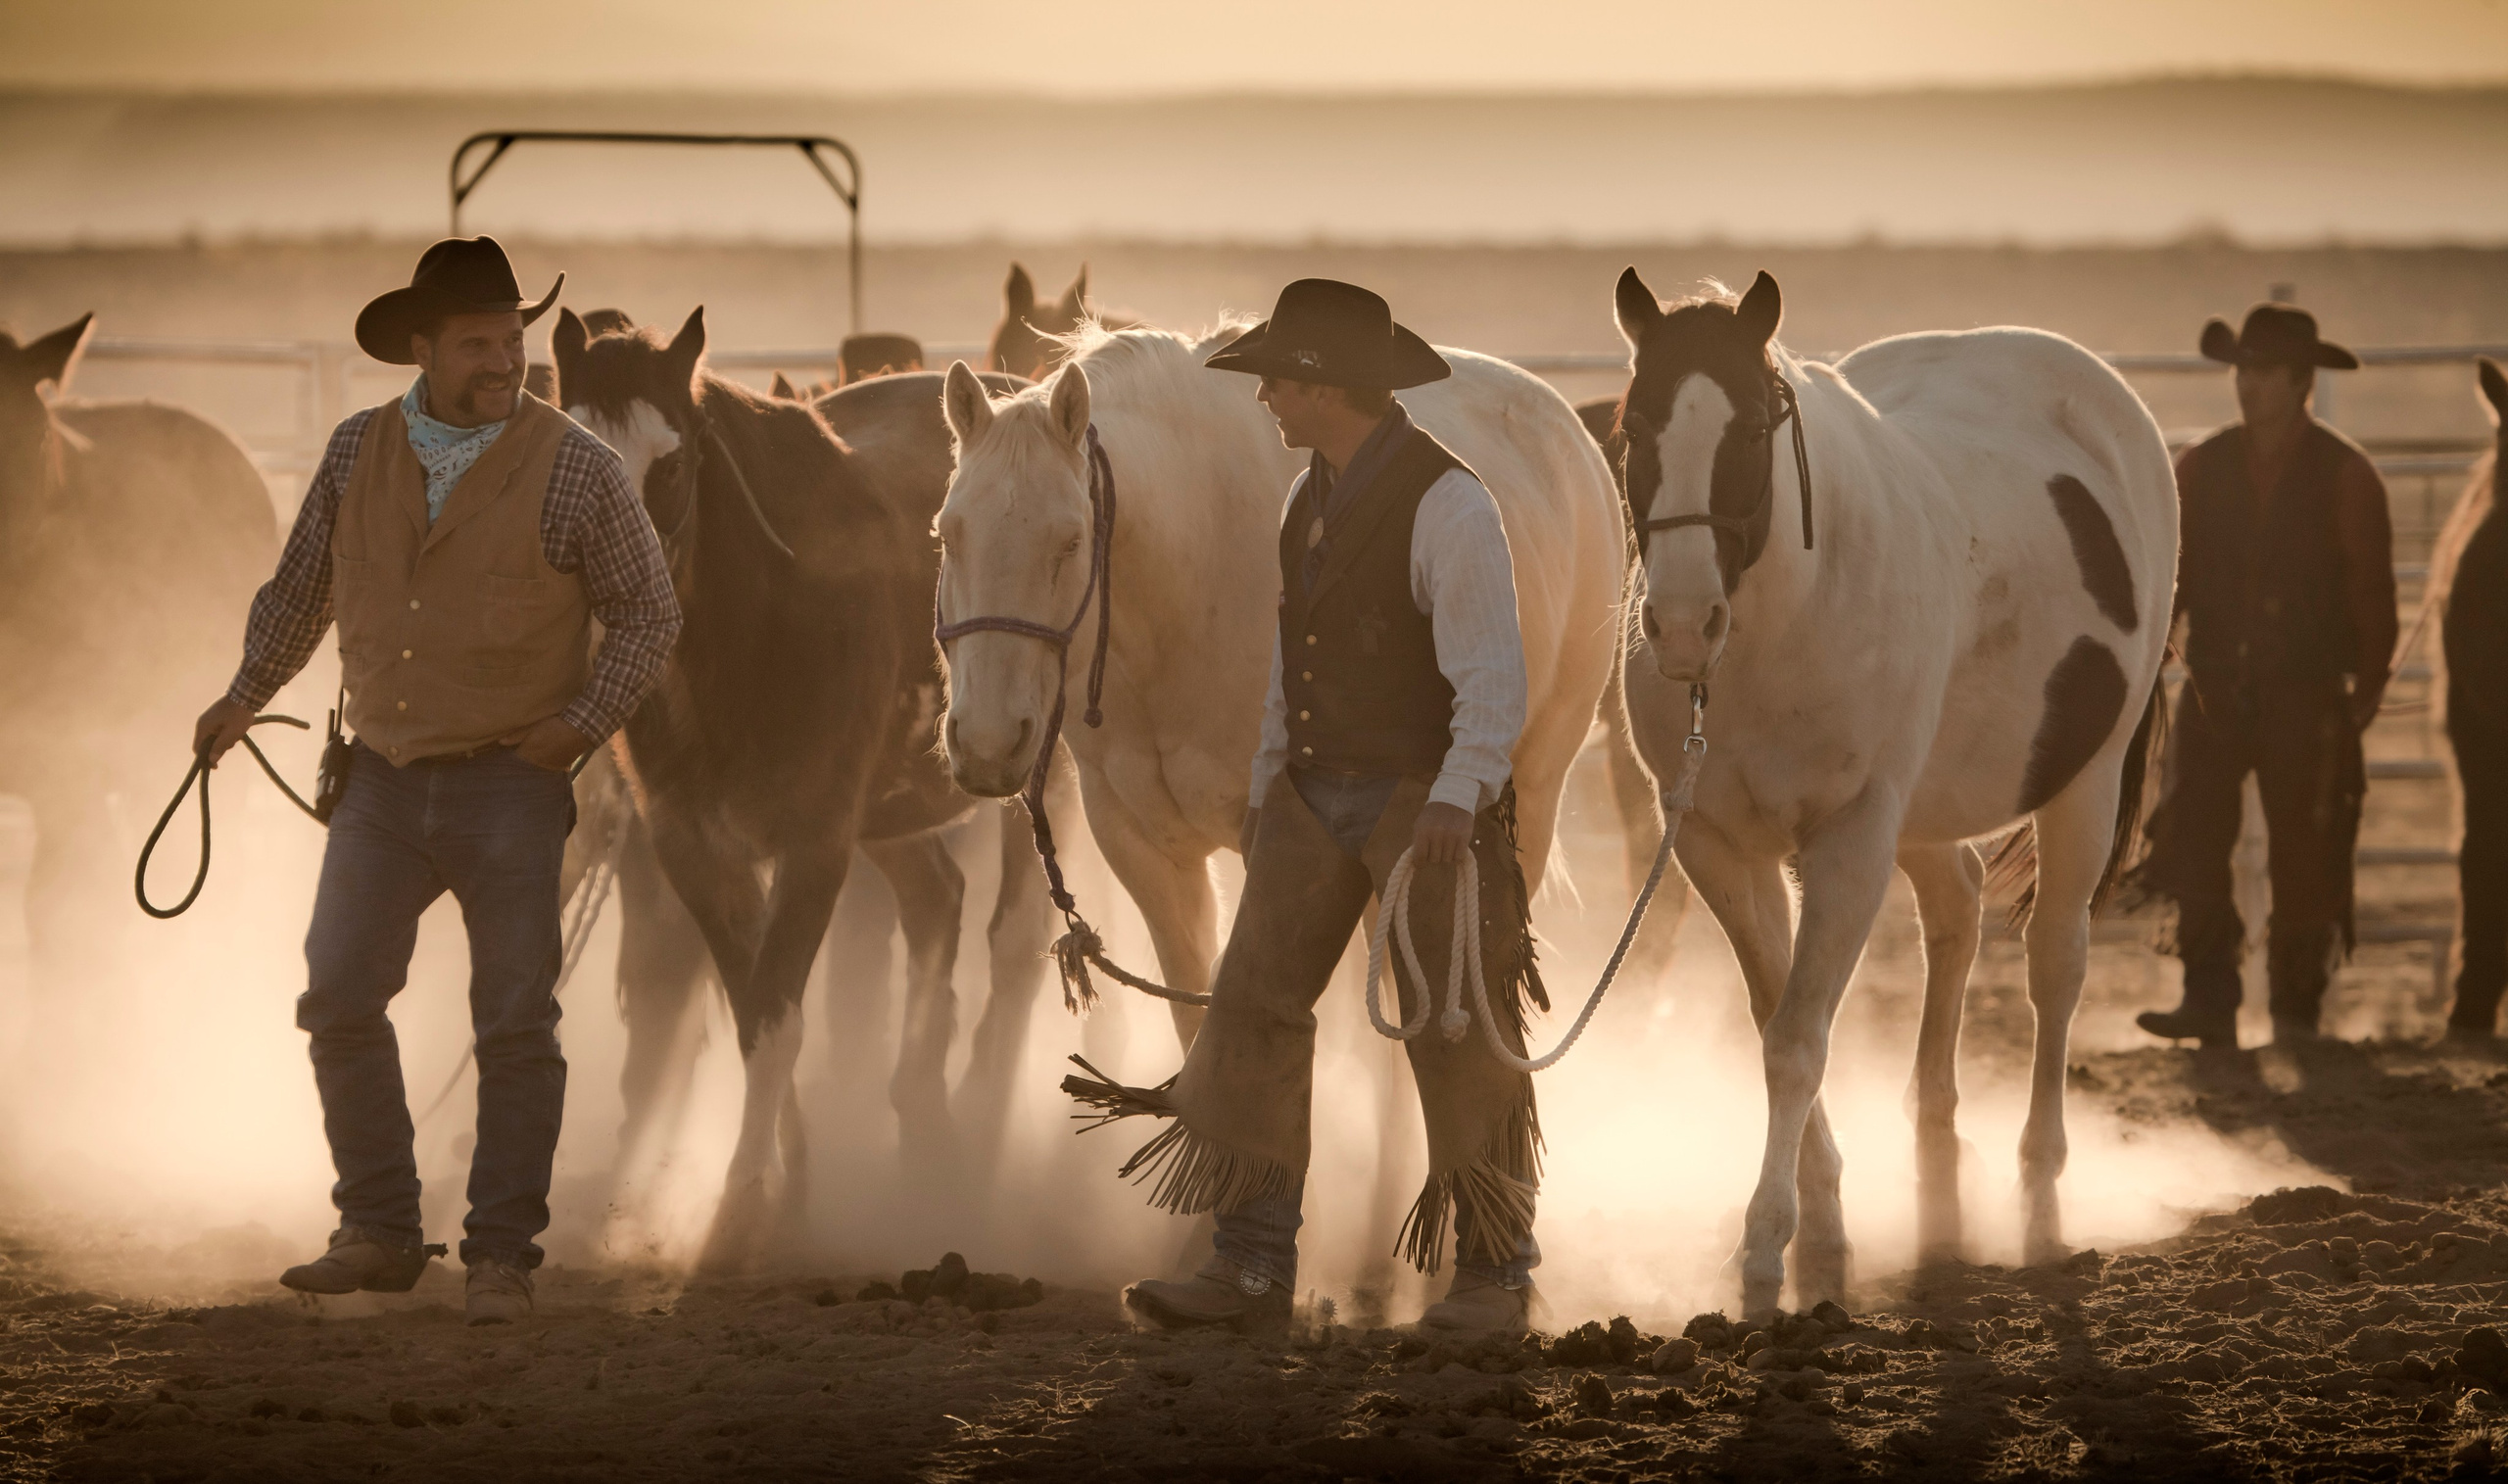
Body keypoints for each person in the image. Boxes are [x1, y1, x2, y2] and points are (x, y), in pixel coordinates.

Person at [191, 237, 681, 1322]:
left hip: (510, 778)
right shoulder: (354, 451)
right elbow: (301, 592)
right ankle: (378, 1226)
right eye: (476, 344)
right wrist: (242, 694)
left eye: (512, 339)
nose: (504, 361)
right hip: (378, 777)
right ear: (422, 348)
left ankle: (501, 1255)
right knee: (338, 994)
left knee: (513, 1022)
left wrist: (578, 727)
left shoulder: (577, 467)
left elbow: (650, 614)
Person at [1064, 279, 1544, 1332]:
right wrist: (1268, 785)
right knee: (1252, 1012)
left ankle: (1495, 1274)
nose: (1265, 396)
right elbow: (1293, 664)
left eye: (1278, 379)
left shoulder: (1449, 504)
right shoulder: (1305, 502)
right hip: (1308, 795)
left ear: (1325, 386)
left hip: (1422, 801)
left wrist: (1459, 796)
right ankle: (1249, 1267)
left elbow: (1491, 679)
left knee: (1456, 1025)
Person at [2135, 304, 2395, 1050]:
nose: (2247, 384)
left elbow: (2372, 599)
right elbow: (2172, 584)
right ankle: (2209, 997)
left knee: (2307, 850)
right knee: (2194, 834)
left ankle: (2294, 1011)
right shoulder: (2201, 467)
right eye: (2242, 370)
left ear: (2301, 380)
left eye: (2265, 371)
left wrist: (2364, 692)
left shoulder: (2347, 478)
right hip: (2216, 683)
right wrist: (2151, 661)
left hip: (2305, 693)